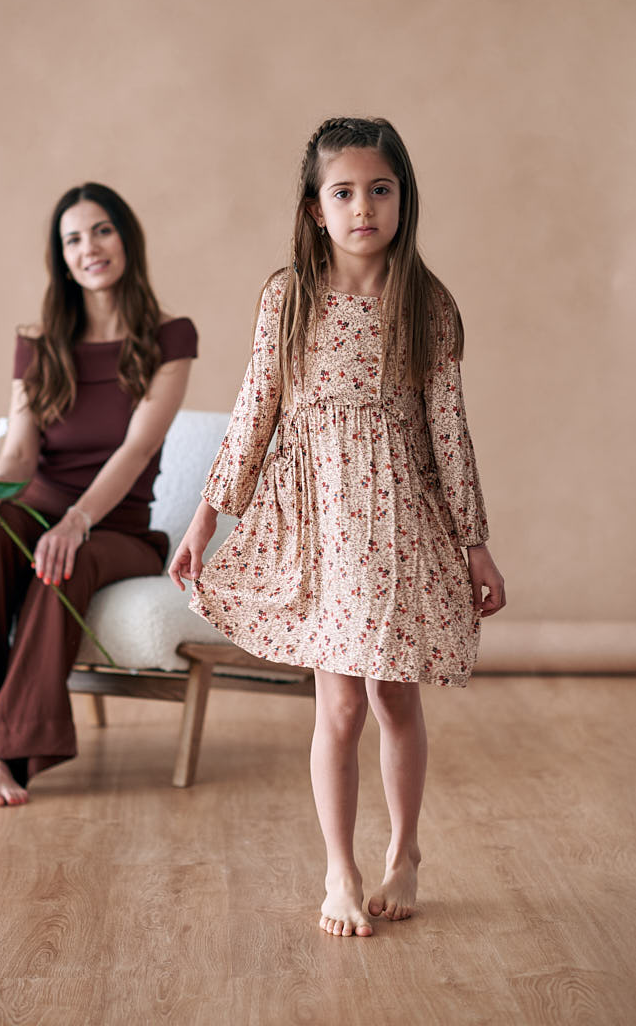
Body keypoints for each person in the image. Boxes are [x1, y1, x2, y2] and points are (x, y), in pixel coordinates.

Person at [169, 117, 505, 936]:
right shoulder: (287, 295)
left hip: (397, 517)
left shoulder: (426, 304)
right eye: (344, 192)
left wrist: (473, 541)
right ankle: (338, 871)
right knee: (339, 708)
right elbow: (256, 406)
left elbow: (448, 431)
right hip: (317, 521)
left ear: (402, 199)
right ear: (317, 208)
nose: (363, 207)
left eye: (379, 190)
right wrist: (205, 514)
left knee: (392, 698)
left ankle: (405, 853)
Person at [0, 182, 197, 808]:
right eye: (73, 238)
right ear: (61, 256)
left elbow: (136, 449)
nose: (90, 248)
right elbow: (20, 454)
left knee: (65, 559)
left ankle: (5, 751)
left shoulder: (171, 337)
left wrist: (77, 521)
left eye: (102, 231)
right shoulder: (38, 340)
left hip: (119, 529)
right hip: (41, 507)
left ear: (126, 238)